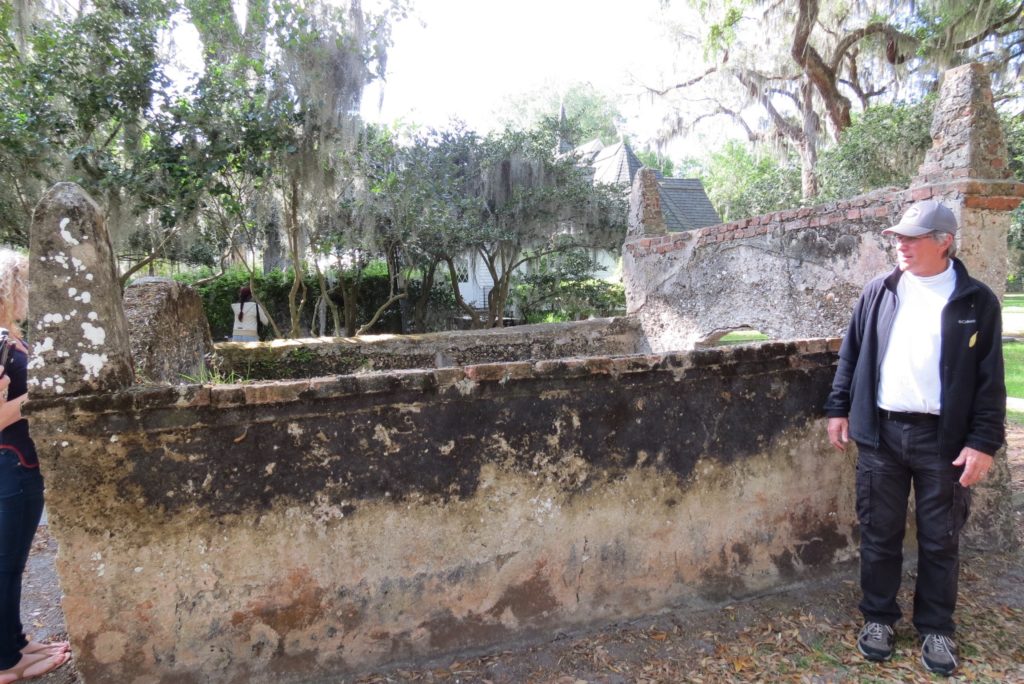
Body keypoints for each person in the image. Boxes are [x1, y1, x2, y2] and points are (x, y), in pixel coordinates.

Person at [823, 200, 1005, 677]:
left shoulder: (976, 301)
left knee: (941, 539)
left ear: (944, 241)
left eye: (912, 237)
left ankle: (936, 627)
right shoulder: (879, 291)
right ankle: (878, 619)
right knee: (880, 535)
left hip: (944, 441)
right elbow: (852, 354)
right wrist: (838, 409)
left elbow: (990, 380)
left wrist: (984, 443)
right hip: (881, 434)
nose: (900, 244)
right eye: (898, 237)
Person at [0, 248, 71, 682]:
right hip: (10, 466)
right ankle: (5, 662)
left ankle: (16, 643)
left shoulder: (9, 336)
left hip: (21, 466)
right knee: (4, 565)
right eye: (24, 283)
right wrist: (39, 394)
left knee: (12, 563)